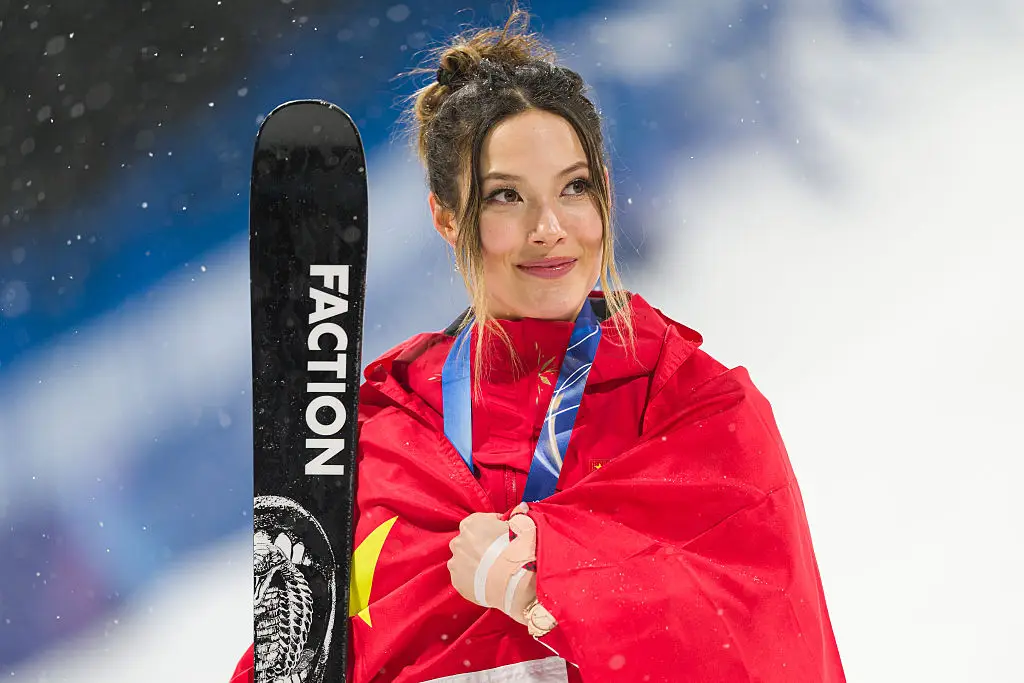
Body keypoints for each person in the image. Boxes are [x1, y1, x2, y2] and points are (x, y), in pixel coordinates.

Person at [232, 8, 845, 683]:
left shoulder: (694, 405)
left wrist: (553, 581)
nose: (549, 227)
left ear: (605, 192)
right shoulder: (378, 441)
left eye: (572, 188)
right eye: (505, 198)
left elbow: (770, 645)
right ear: (445, 216)